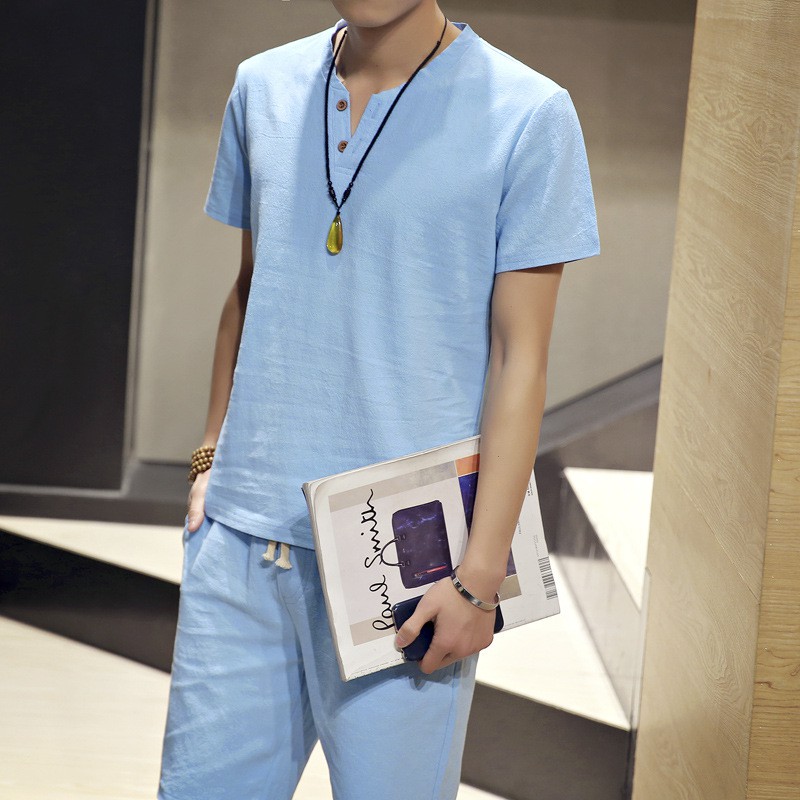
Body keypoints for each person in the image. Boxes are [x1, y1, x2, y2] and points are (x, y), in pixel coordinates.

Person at [157, 1, 599, 798]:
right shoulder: (263, 86)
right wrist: (210, 456)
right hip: (241, 541)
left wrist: (478, 579)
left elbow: (519, 359)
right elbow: (253, 285)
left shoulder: (528, 114)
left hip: (408, 564)